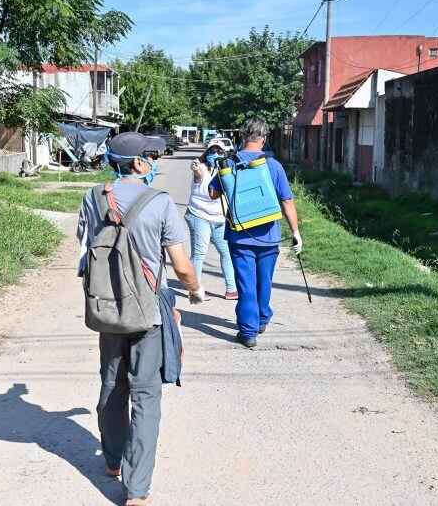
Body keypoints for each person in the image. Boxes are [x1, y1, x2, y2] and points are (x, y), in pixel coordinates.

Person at [77, 132, 205, 506]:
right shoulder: (160, 202)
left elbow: (85, 252)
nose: (154, 161)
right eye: (151, 155)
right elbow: (181, 266)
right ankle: (136, 491)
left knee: (112, 385)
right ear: (137, 163)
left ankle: (113, 460)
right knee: (145, 395)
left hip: (106, 309)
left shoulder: (92, 197)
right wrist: (195, 289)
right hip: (146, 313)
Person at [208, 117, 302, 348]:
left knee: (246, 284)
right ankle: (261, 319)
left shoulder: (228, 163)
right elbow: (287, 201)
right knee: (264, 281)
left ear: (243, 136)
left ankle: (248, 333)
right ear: (264, 139)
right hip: (269, 235)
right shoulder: (273, 165)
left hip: (239, 236)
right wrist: (295, 232)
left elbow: (212, 193)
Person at [185, 144, 238, 301]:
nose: (215, 154)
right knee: (200, 253)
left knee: (226, 252)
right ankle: (195, 290)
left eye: (219, 151)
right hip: (199, 215)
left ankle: (231, 289)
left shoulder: (225, 169)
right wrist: (195, 169)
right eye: (212, 151)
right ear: (207, 153)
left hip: (220, 218)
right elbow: (198, 174)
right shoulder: (201, 167)